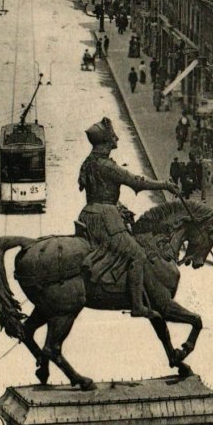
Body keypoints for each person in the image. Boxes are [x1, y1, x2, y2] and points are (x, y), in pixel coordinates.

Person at [77, 117, 179, 319]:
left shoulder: (89, 162)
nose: (116, 138)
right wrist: (165, 185)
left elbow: (99, 191)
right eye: (112, 136)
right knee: (137, 254)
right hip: (105, 216)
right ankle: (137, 305)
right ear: (106, 141)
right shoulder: (107, 165)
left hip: (89, 213)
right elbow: (137, 182)